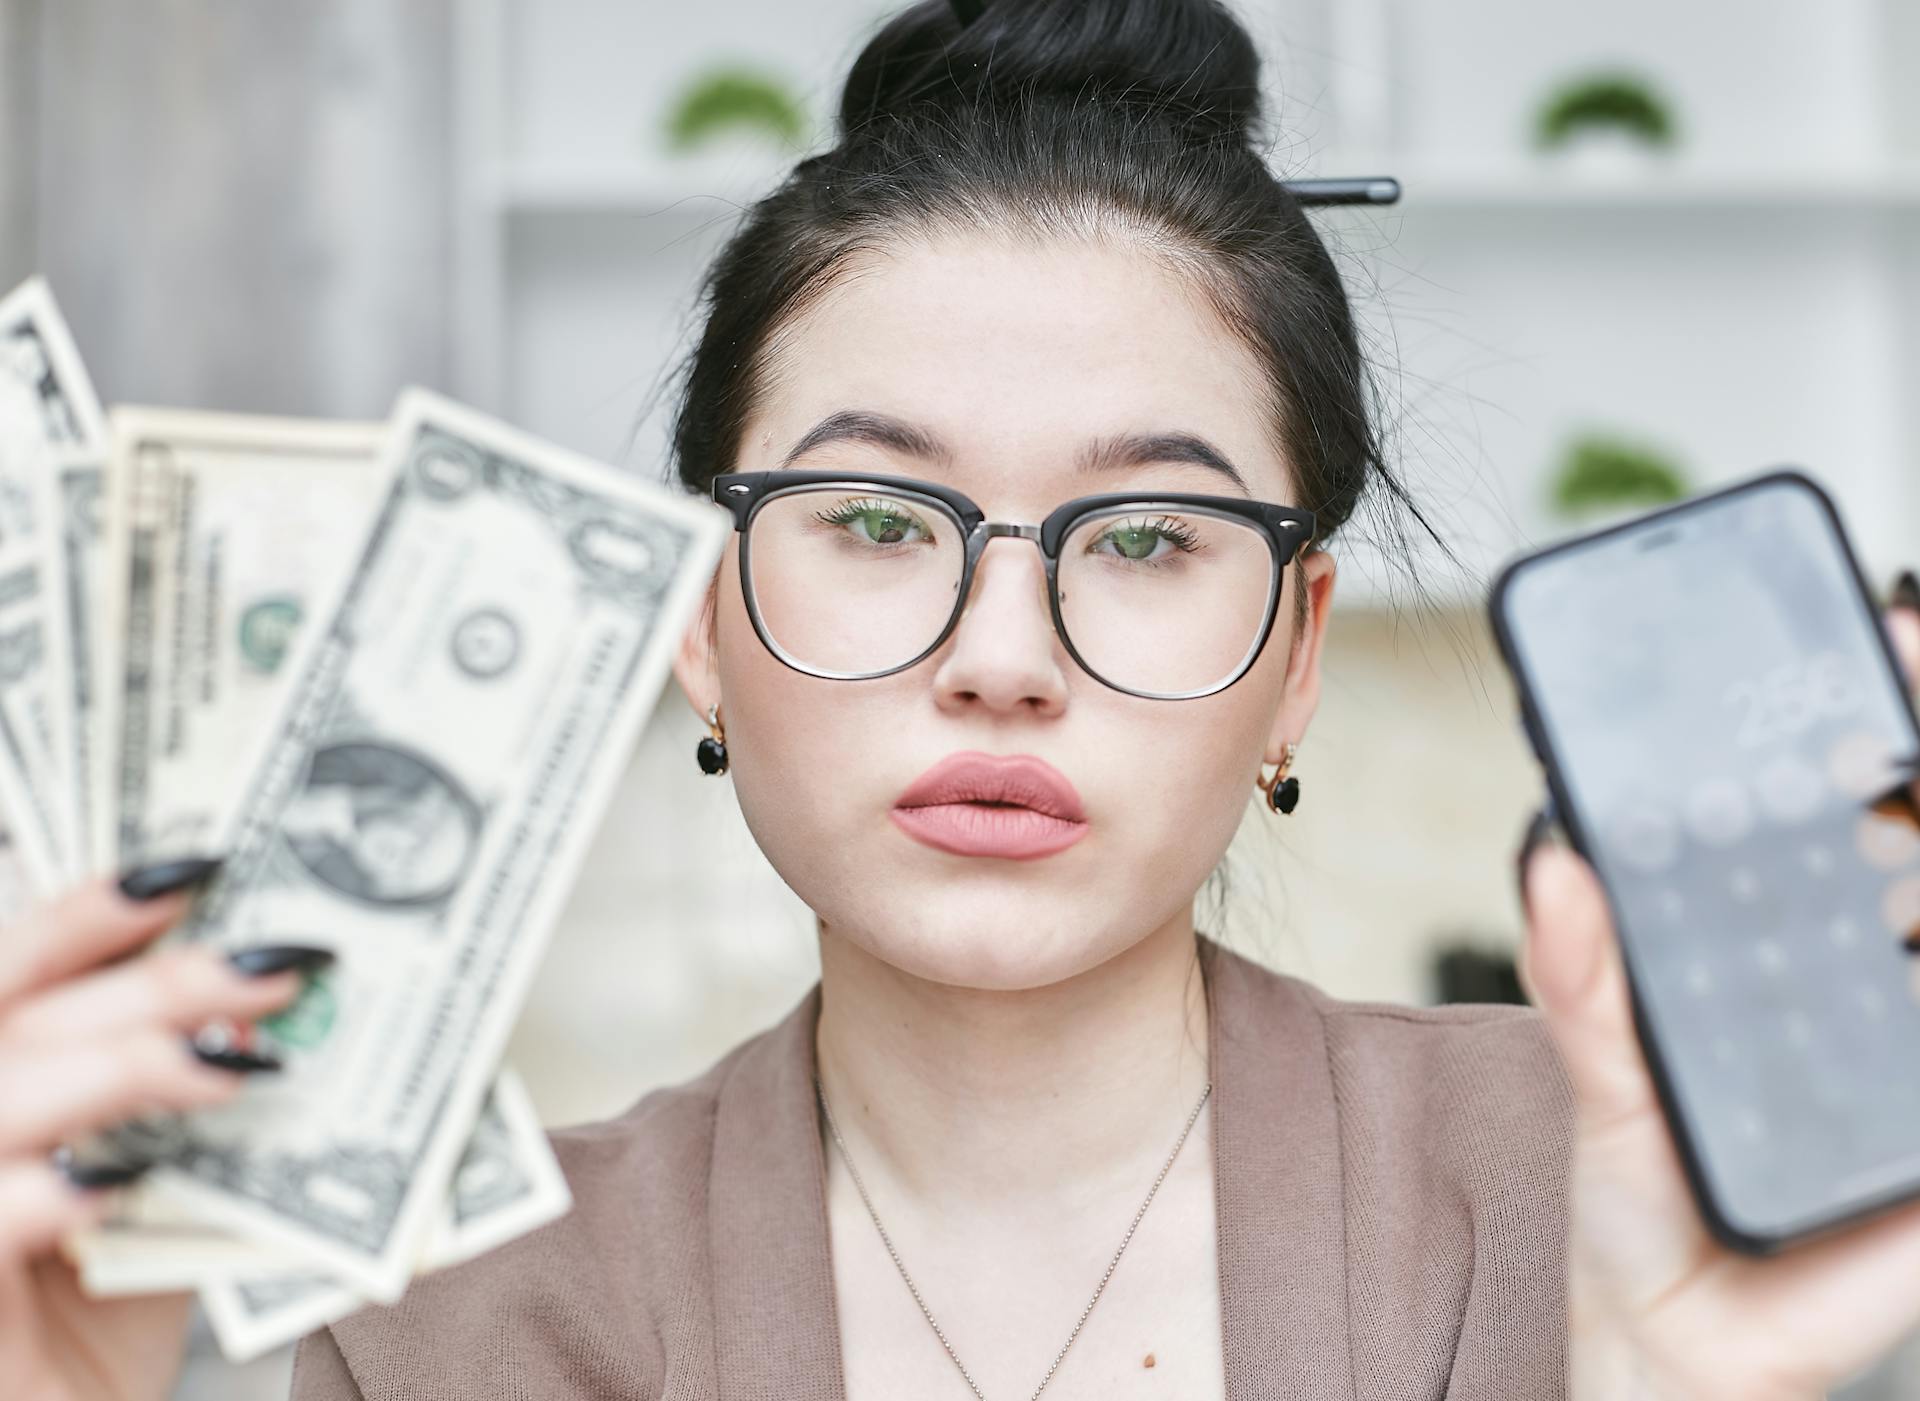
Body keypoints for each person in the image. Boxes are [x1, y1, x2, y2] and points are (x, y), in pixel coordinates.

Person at [6, 2, 1920, 1397]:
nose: (1000, 650)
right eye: (870, 515)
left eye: (1151, 536)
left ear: (1300, 655)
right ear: (700, 613)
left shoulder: (1598, 1169)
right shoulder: (455, 1317)